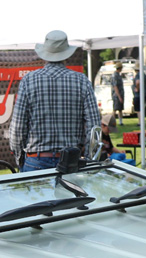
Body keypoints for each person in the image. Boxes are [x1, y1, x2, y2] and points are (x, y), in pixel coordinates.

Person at [9, 30, 99, 172]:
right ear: (66, 54)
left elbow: (17, 127)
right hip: (71, 161)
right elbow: (94, 126)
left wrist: (20, 158)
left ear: (45, 53)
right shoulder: (82, 81)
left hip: (36, 160)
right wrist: (88, 158)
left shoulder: (29, 80)